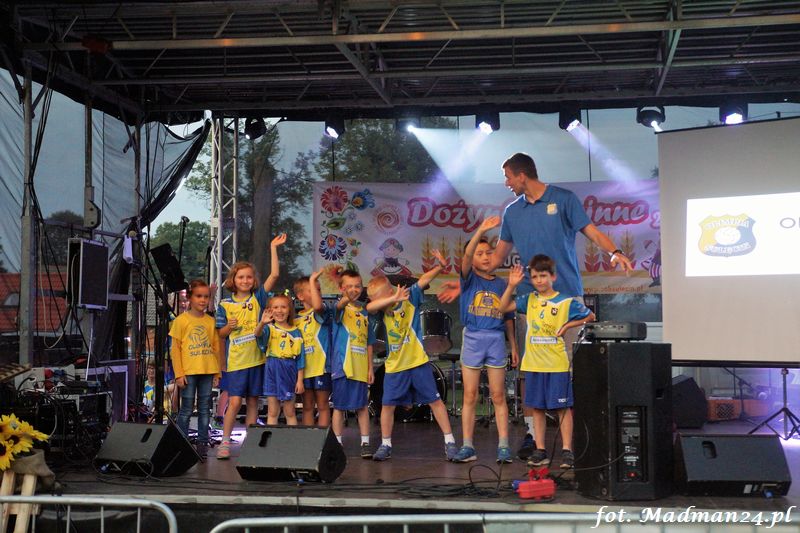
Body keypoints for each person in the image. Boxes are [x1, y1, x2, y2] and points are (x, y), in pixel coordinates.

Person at [438, 152, 632, 458]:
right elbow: (496, 259)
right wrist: (463, 285)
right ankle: (532, 436)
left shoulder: (564, 199)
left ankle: (572, 441)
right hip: (530, 301)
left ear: (522, 175)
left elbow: (592, 232)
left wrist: (615, 252)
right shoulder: (513, 212)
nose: (506, 183)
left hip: (566, 297)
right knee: (530, 371)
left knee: (567, 370)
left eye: (508, 177)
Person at [499, 256, 594, 468]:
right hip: (534, 364)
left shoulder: (566, 301)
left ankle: (567, 450)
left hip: (557, 364)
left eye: (543, 275)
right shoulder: (528, 300)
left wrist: (568, 325)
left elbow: (590, 316)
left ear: (553, 276)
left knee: (563, 408)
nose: (539, 280)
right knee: (538, 408)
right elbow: (502, 307)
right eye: (535, 277)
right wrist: (511, 285)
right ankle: (540, 449)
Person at [366, 250, 458, 462]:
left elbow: (424, 280)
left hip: (418, 362)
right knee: (387, 406)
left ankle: (450, 441)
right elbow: (370, 307)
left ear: (391, 290)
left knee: (435, 401)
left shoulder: (410, 298)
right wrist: (389, 299)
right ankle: (386, 444)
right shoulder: (381, 310)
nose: (383, 302)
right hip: (395, 367)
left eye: (384, 297)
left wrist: (439, 266)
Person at [450, 216, 519, 464]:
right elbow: (467, 255)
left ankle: (504, 446)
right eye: (480, 253)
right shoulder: (468, 279)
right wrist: (480, 229)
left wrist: (513, 345)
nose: (486, 257)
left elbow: (508, 316)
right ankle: (468, 446)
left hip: (496, 339)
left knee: (498, 395)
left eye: (489, 252)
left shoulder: (501, 284)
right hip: (473, 338)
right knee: (470, 395)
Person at [215, 234, 286, 459]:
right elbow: (220, 334)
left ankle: (250, 444)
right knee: (235, 401)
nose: (245, 281)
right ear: (233, 280)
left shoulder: (258, 298)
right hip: (236, 361)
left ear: (253, 280)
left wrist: (273, 247)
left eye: (248, 277)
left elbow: (275, 275)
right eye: (241, 277)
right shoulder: (225, 304)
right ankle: (225, 442)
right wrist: (229, 327)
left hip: (257, 359)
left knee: (254, 402)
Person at [170, 280, 223, 459]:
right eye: (199, 296)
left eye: (206, 296)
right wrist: (179, 374)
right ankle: (182, 445)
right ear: (190, 298)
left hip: (207, 371)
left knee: (204, 409)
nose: (202, 300)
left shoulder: (210, 321)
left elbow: (216, 348)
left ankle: (202, 444)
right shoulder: (181, 321)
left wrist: (217, 373)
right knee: (186, 409)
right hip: (188, 372)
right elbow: (175, 350)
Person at [326, 269, 376, 457]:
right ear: (341, 288)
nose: (354, 290)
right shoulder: (338, 308)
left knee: (362, 406)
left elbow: (369, 342)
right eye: (349, 286)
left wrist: (370, 368)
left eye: (357, 286)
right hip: (343, 367)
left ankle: (365, 443)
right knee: (339, 407)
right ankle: (337, 443)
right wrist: (346, 298)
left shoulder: (365, 312)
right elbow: (339, 306)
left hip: (361, 367)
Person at [256, 294, 305, 425]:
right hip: (272, 368)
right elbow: (257, 334)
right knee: (272, 411)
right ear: (270, 310)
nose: (279, 310)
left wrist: (300, 381)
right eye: (275, 307)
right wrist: (262, 323)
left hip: (289, 369)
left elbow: (301, 359)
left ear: (289, 310)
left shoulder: (297, 332)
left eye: (283, 307)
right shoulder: (269, 328)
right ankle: (272, 437)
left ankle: (290, 436)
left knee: (290, 411)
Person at [294, 270, 334, 427]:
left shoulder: (321, 312)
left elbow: (317, 306)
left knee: (323, 405)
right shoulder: (295, 320)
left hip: (321, 368)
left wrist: (312, 281)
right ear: (300, 296)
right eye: (312, 290)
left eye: (319, 289)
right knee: (307, 406)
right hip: (304, 371)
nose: (318, 292)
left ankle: (323, 439)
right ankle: (308, 439)